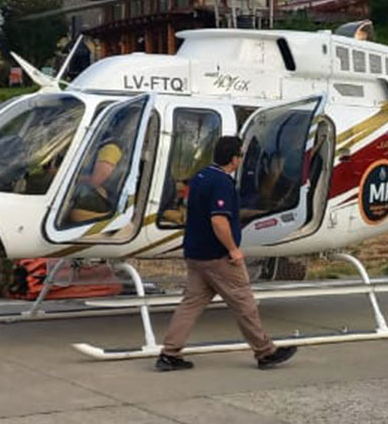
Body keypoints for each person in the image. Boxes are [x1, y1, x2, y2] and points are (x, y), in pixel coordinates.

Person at [155, 135, 297, 372]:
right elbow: (219, 220)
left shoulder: (200, 177)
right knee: (244, 303)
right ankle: (265, 352)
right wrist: (233, 249)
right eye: (240, 155)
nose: (241, 159)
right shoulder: (223, 182)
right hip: (218, 257)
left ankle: (169, 354)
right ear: (233, 159)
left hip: (195, 253)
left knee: (190, 304)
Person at [65, 143, 122, 222]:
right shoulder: (92, 145)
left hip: (104, 199)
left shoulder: (110, 149)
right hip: (96, 192)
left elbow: (96, 180)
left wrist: (72, 178)